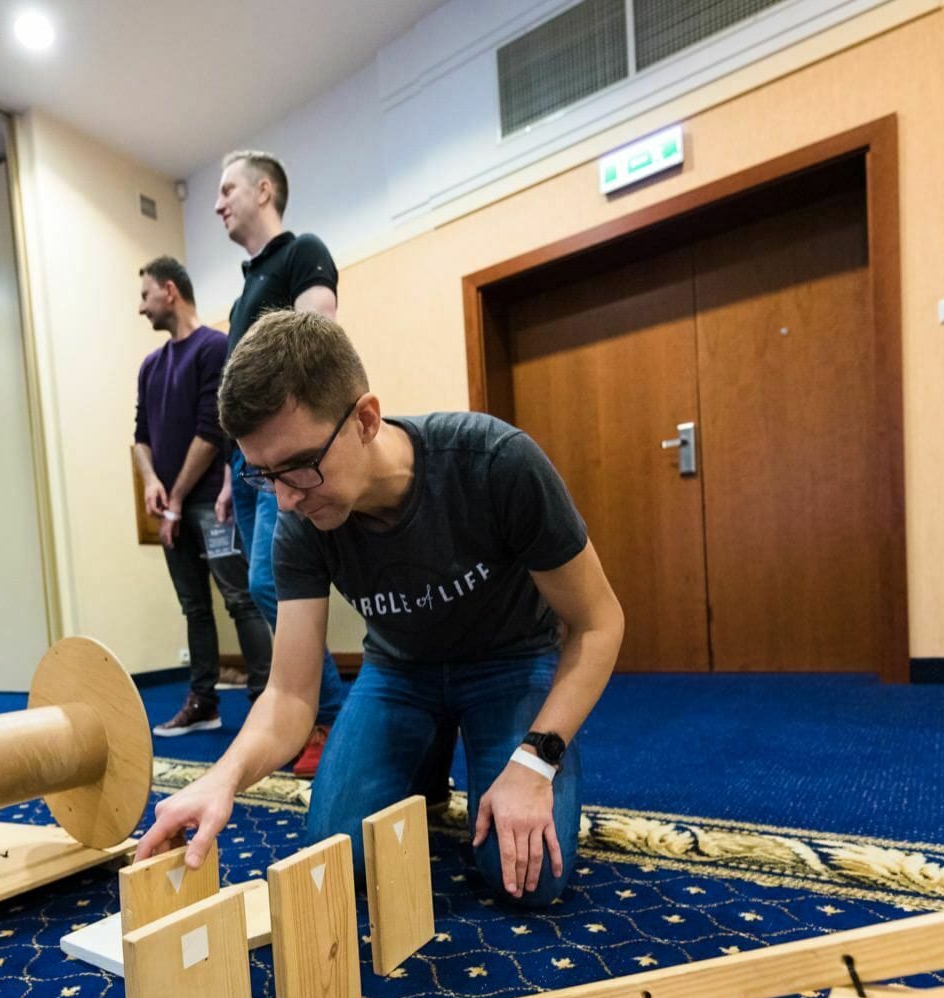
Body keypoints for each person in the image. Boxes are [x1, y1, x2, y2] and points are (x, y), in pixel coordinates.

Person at [135, 311, 625, 906]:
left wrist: (538, 757)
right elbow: (290, 695)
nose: (286, 500)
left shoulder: (496, 463)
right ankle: (432, 758)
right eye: (264, 475)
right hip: (401, 675)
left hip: (511, 663)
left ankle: (503, 749)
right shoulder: (300, 518)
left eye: (298, 468)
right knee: (338, 855)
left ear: (365, 418)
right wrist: (222, 778)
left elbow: (598, 623)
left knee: (528, 879)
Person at [212, 149, 349, 776]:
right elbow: (240, 403)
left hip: (288, 454)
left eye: (227, 190)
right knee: (261, 583)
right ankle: (303, 711)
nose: (218, 204)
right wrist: (226, 477)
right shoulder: (246, 291)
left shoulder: (302, 252)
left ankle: (331, 715)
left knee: (273, 583)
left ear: (264, 190)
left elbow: (317, 329)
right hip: (247, 466)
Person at [132, 256, 273, 734]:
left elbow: (211, 431)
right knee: (194, 607)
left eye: (145, 294)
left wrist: (174, 500)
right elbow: (140, 435)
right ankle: (204, 703)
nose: (141, 307)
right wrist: (152, 482)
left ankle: (264, 706)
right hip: (171, 506)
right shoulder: (150, 366)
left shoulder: (215, 348)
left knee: (240, 598)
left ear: (169, 291)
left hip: (213, 500)